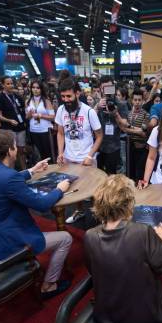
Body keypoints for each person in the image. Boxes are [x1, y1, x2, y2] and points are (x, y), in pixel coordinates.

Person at [0, 130, 72, 298]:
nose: (17, 149)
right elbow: (41, 205)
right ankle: (49, 285)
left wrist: (31, 171)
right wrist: (59, 189)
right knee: (66, 238)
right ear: (10, 151)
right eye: (15, 146)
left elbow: (1, 180)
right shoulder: (8, 178)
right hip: (3, 244)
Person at [84, 174, 162, 323]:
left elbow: (94, 271)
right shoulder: (141, 232)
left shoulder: (90, 236)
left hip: (105, 314)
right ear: (129, 203)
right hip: (145, 319)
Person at [55, 78, 103, 224]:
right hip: (70, 158)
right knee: (75, 189)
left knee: (93, 190)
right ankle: (80, 211)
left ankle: (99, 216)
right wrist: (60, 153)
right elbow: (60, 133)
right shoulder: (61, 110)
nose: (66, 100)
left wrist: (90, 155)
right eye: (63, 97)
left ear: (77, 93)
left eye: (69, 96)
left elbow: (100, 136)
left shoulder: (89, 112)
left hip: (87, 159)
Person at [96, 78, 129, 175]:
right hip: (98, 144)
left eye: (109, 88)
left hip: (113, 145)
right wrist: (97, 107)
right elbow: (89, 121)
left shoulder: (121, 104)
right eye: (104, 88)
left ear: (113, 88)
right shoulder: (98, 103)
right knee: (98, 173)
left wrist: (115, 113)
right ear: (101, 89)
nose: (107, 90)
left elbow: (124, 125)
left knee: (111, 174)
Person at [0, 76, 27, 170]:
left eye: (11, 83)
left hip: (20, 127)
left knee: (21, 150)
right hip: (8, 129)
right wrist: (9, 120)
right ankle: (11, 172)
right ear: (3, 85)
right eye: (8, 83)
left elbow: (23, 109)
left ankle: (24, 170)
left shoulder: (17, 96)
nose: (11, 85)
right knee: (11, 152)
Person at [120, 89, 151, 181]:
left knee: (139, 171)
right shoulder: (128, 114)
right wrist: (133, 130)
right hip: (129, 146)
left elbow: (142, 132)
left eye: (139, 100)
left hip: (141, 148)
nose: (137, 102)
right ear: (132, 100)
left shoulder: (146, 114)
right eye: (135, 100)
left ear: (142, 101)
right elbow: (124, 128)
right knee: (130, 170)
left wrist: (128, 128)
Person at [25, 80, 55, 161]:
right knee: (38, 155)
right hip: (33, 131)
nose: (35, 89)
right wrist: (29, 115)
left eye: (38, 88)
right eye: (33, 87)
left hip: (45, 130)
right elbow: (27, 117)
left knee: (48, 154)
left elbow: (53, 117)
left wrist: (41, 115)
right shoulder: (28, 101)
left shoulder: (46, 101)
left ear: (41, 89)